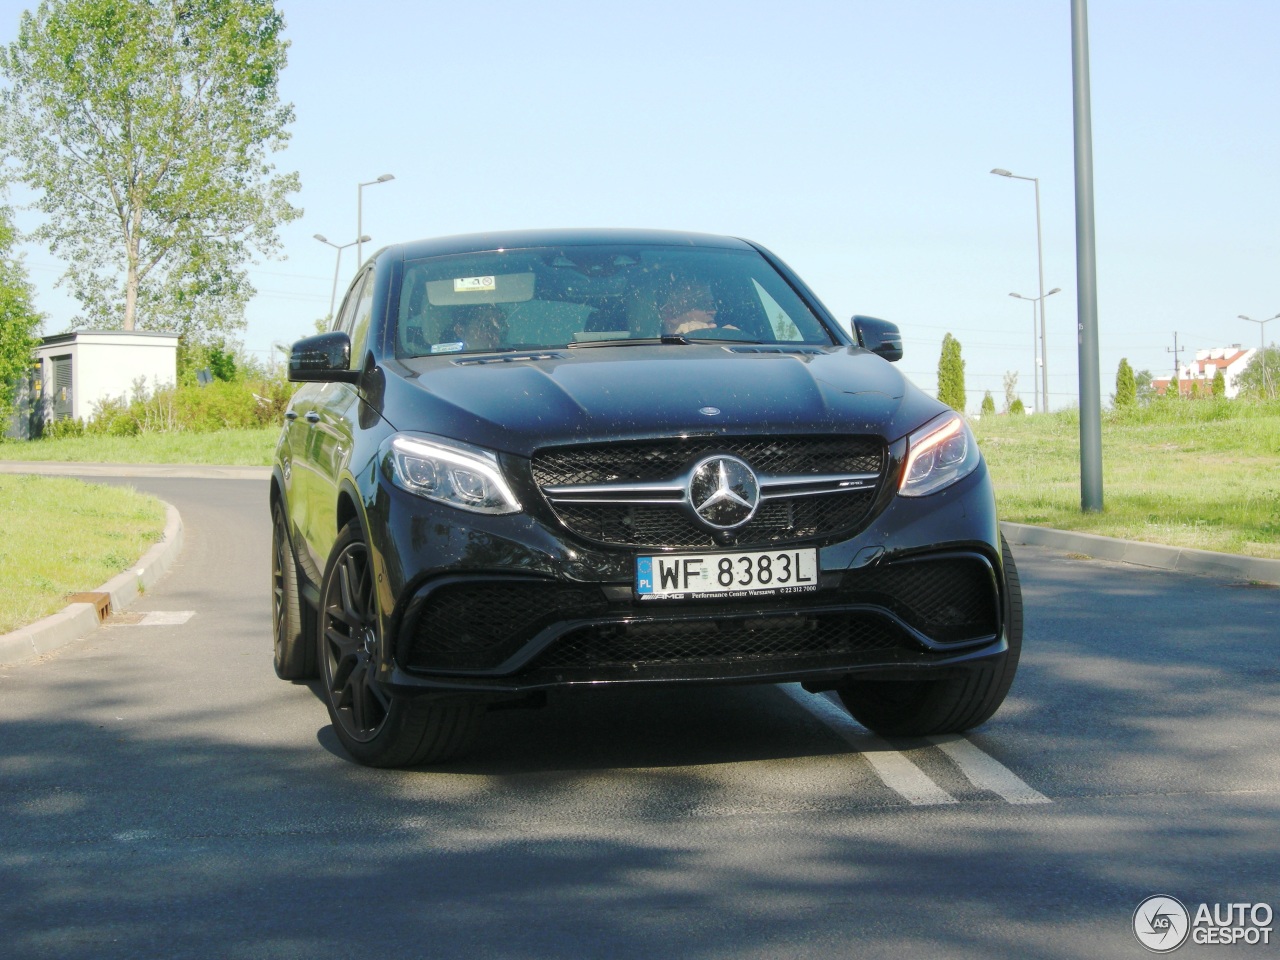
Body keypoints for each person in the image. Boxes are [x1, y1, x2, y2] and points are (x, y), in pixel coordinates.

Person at [659, 278, 734, 336]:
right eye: (702, 305)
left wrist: (733, 338)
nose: (713, 311)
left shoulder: (724, 347)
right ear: (672, 314)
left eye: (712, 305)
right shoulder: (648, 353)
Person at [440, 304, 507, 349]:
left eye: (500, 326)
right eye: (486, 326)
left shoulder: (512, 352)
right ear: (460, 330)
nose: (495, 336)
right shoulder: (442, 365)